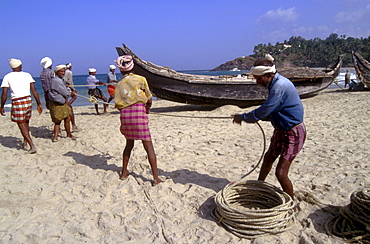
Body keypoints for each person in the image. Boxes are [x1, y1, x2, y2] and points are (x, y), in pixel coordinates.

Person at [232, 54, 306, 200]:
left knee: (281, 173)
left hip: (293, 132)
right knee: (268, 158)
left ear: (269, 75)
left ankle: (291, 203)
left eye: (259, 79)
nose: (257, 82)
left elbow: (266, 109)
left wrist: (244, 117)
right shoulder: (275, 84)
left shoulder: (279, 87)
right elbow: (272, 110)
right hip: (281, 129)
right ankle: (260, 186)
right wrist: (252, 117)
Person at [114, 55, 162, 186]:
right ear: (132, 66)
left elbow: (118, 103)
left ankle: (124, 172)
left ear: (120, 70)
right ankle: (156, 178)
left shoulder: (119, 84)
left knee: (129, 144)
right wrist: (147, 109)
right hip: (139, 113)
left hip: (125, 115)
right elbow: (149, 98)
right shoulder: (140, 79)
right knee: (148, 146)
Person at [1, 58, 43, 154]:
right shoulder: (27, 75)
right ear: (20, 66)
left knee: (20, 123)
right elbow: (34, 90)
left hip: (17, 100)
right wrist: (39, 103)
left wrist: (1, 106)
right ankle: (25, 140)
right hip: (27, 100)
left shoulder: (7, 76)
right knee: (26, 120)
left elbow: (4, 93)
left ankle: (31, 145)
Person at [48, 65, 77, 142]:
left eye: (64, 71)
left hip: (57, 103)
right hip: (59, 104)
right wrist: (72, 93)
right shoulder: (57, 81)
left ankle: (56, 137)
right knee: (62, 120)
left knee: (61, 120)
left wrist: (65, 87)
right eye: (61, 71)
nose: (63, 73)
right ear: (57, 72)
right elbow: (65, 93)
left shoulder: (56, 80)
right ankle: (67, 134)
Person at [64, 62, 78, 130]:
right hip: (67, 88)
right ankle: (68, 104)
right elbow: (70, 81)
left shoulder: (64, 72)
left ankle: (67, 104)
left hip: (64, 87)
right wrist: (73, 88)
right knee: (74, 96)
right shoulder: (69, 72)